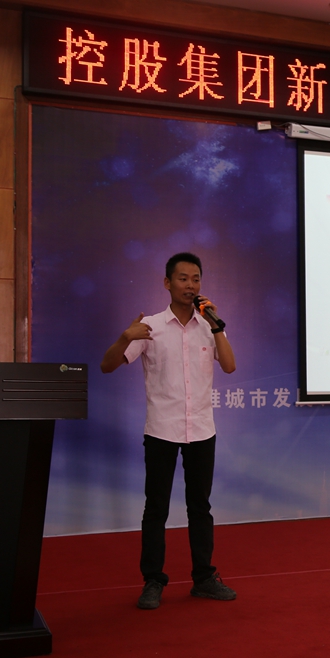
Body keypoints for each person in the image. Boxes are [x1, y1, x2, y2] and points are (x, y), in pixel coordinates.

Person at [101, 252, 237, 610]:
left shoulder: (209, 325)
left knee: (200, 507)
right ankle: (153, 581)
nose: (190, 285)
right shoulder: (150, 326)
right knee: (156, 508)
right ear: (167, 283)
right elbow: (107, 366)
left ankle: (204, 578)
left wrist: (217, 325)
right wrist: (124, 336)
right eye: (183, 278)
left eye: (196, 279)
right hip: (162, 429)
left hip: (202, 429)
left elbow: (229, 366)